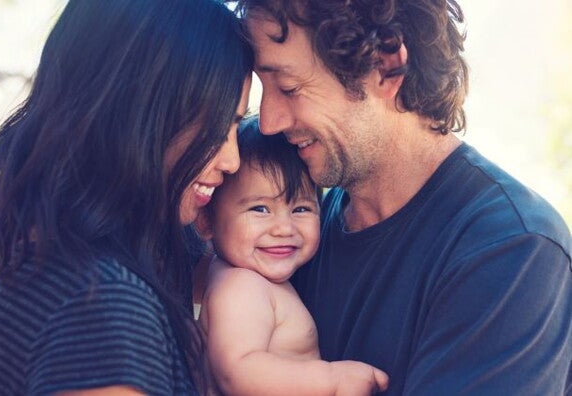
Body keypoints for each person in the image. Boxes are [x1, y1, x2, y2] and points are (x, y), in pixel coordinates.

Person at [231, 0, 572, 394]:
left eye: (289, 87)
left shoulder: (511, 250)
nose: (269, 121)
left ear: (386, 65)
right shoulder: (293, 234)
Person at [0, 0, 253, 394]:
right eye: (219, 127)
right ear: (143, 113)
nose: (232, 159)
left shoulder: (63, 253)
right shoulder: (101, 304)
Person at [194, 116, 389, 395]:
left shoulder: (248, 277)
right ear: (206, 222)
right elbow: (238, 371)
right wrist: (333, 380)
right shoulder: (241, 286)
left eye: (301, 209)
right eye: (260, 209)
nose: (284, 228)